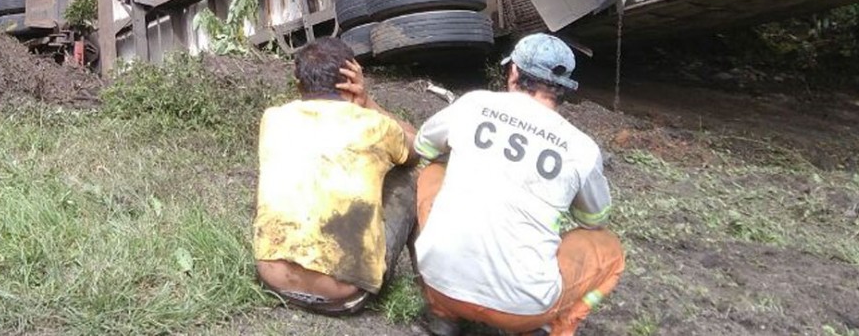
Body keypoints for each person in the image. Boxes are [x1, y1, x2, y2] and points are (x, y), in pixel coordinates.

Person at [413, 33, 625, 336]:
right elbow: (594, 219)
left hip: (439, 282)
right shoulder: (582, 148)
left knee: (432, 173)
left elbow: (425, 147)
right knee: (611, 251)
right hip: (522, 310)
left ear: (513, 71)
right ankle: (551, 326)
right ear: (564, 89)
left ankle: (442, 314)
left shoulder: (473, 104)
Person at [252, 36, 418, 315]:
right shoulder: (373, 125)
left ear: (298, 84)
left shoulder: (273, 118)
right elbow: (419, 147)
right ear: (352, 78)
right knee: (415, 174)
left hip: (272, 280)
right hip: (344, 293)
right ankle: (433, 297)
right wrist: (369, 102)